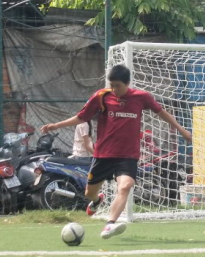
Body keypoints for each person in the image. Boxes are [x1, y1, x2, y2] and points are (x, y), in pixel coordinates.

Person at [40, 64, 192, 239]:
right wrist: (55, 125)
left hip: (128, 155)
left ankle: (109, 225)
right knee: (89, 193)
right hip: (104, 155)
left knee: (126, 186)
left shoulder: (141, 97)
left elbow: (162, 113)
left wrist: (182, 130)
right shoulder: (102, 96)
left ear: (127, 83)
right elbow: (82, 117)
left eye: (117, 85)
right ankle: (97, 201)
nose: (114, 89)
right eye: (111, 84)